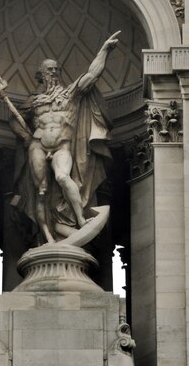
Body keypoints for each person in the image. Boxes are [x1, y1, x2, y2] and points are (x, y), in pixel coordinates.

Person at [10, 31, 120, 244]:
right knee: (41, 192)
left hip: (62, 145)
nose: (54, 72)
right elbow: (14, 121)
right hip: (37, 145)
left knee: (62, 177)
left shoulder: (70, 94)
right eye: (49, 70)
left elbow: (91, 75)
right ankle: (48, 238)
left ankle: (80, 219)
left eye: (56, 69)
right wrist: (26, 137)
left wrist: (105, 50)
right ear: (40, 74)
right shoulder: (34, 100)